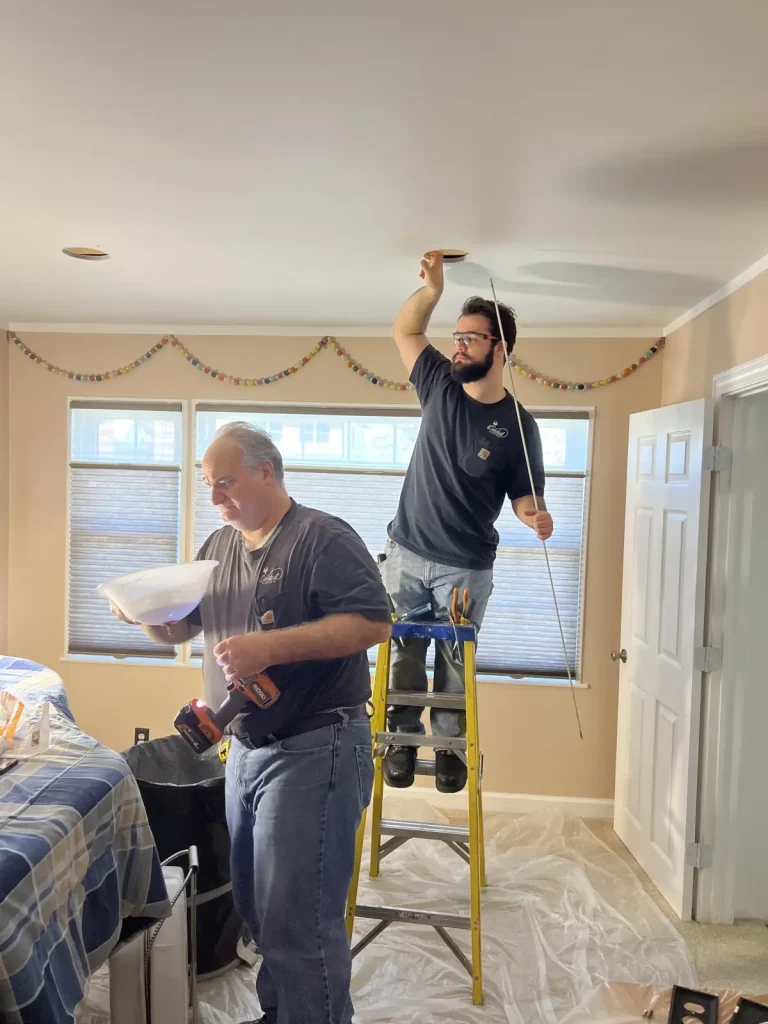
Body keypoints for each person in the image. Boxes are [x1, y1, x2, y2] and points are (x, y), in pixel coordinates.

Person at [112, 422, 392, 1024]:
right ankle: (283, 1013)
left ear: (268, 472)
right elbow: (178, 627)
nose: (216, 498)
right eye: (209, 486)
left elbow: (372, 624)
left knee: (298, 918)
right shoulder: (218, 546)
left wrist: (270, 649)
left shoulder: (322, 538)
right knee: (259, 908)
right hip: (243, 748)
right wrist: (140, 615)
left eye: (226, 483)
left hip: (317, 744)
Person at [381, 251, 553, 795]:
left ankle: (451, 754)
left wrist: (536, 517)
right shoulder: (437, 382)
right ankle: (402, 745)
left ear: (499, 349)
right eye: (456, 335)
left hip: (466, 567)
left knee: (454, 665)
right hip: (406, 552)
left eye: (470, 338)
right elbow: (406, 329)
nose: (457, 345)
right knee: (403, 656)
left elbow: (525, 497)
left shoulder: (519, 425)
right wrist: (431, 290)